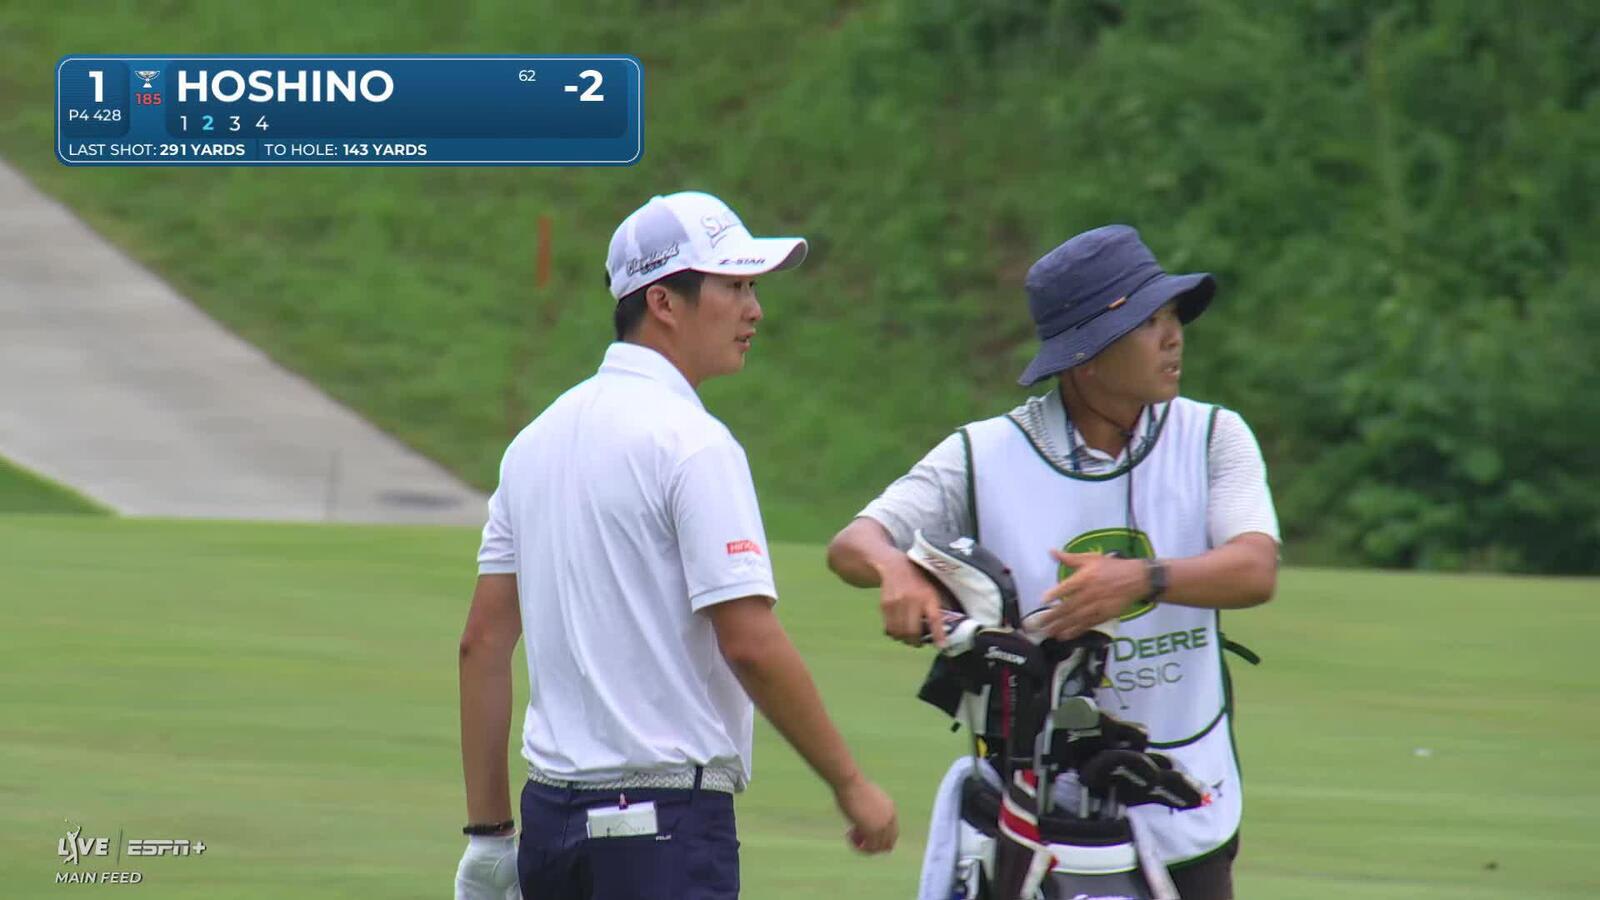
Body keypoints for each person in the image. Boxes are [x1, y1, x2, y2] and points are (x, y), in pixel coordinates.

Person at [455, 191, 898, 900]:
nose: (754, 309)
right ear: (664, 302)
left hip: (549, 824)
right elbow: (749, 643)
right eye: (734, 287)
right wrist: (851, 784)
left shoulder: (531, 444)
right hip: (664, 829)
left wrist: (486, 838)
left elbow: (481, 642)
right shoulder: (694, 446)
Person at [826, 225, 1279, 900]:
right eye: (1147, 322)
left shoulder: (1214, 435)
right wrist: (895, 570)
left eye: (1172, 316)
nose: (1174, 336)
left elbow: (1255, 570)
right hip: (1032, 817)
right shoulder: (984, 454)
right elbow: (854, 543)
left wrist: (1144, 579)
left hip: (1190, 802)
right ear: (1087, 357)